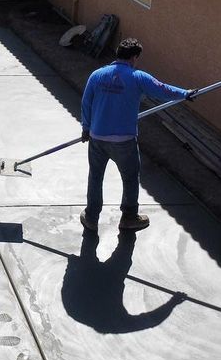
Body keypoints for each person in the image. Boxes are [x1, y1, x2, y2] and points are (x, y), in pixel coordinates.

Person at [80, 38, 194, 232]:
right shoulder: (138, 77)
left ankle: (91, 217)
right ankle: (129, 218)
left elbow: (86, 102)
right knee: (130, 179)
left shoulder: (97, 75)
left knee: (96, 177)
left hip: (97, 137)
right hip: (124, 141)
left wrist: (86, 127)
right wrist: (186, 93)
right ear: (134, 57)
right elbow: (163, 89)